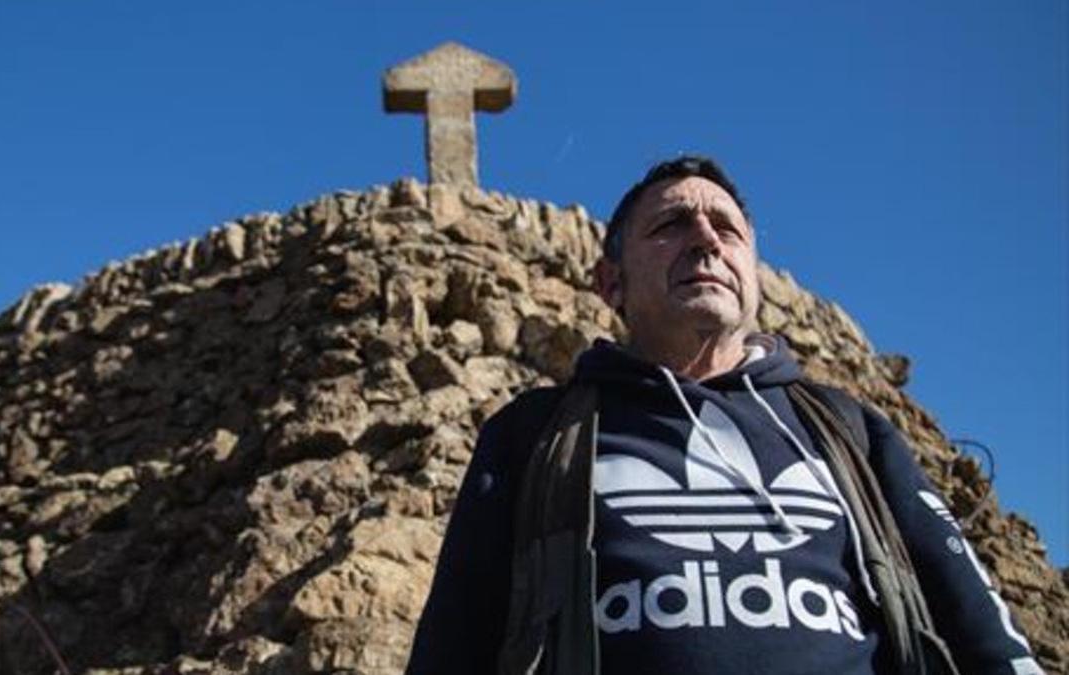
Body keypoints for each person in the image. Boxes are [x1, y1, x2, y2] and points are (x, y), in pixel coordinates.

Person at [405, 156, 1046, 675]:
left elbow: (979, 627)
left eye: (727, 228)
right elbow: (456, 640)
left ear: (753, 274)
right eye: (672, 226)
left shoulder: (850, 428)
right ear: (610, 283)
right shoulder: (535, 434)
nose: (706, 240)